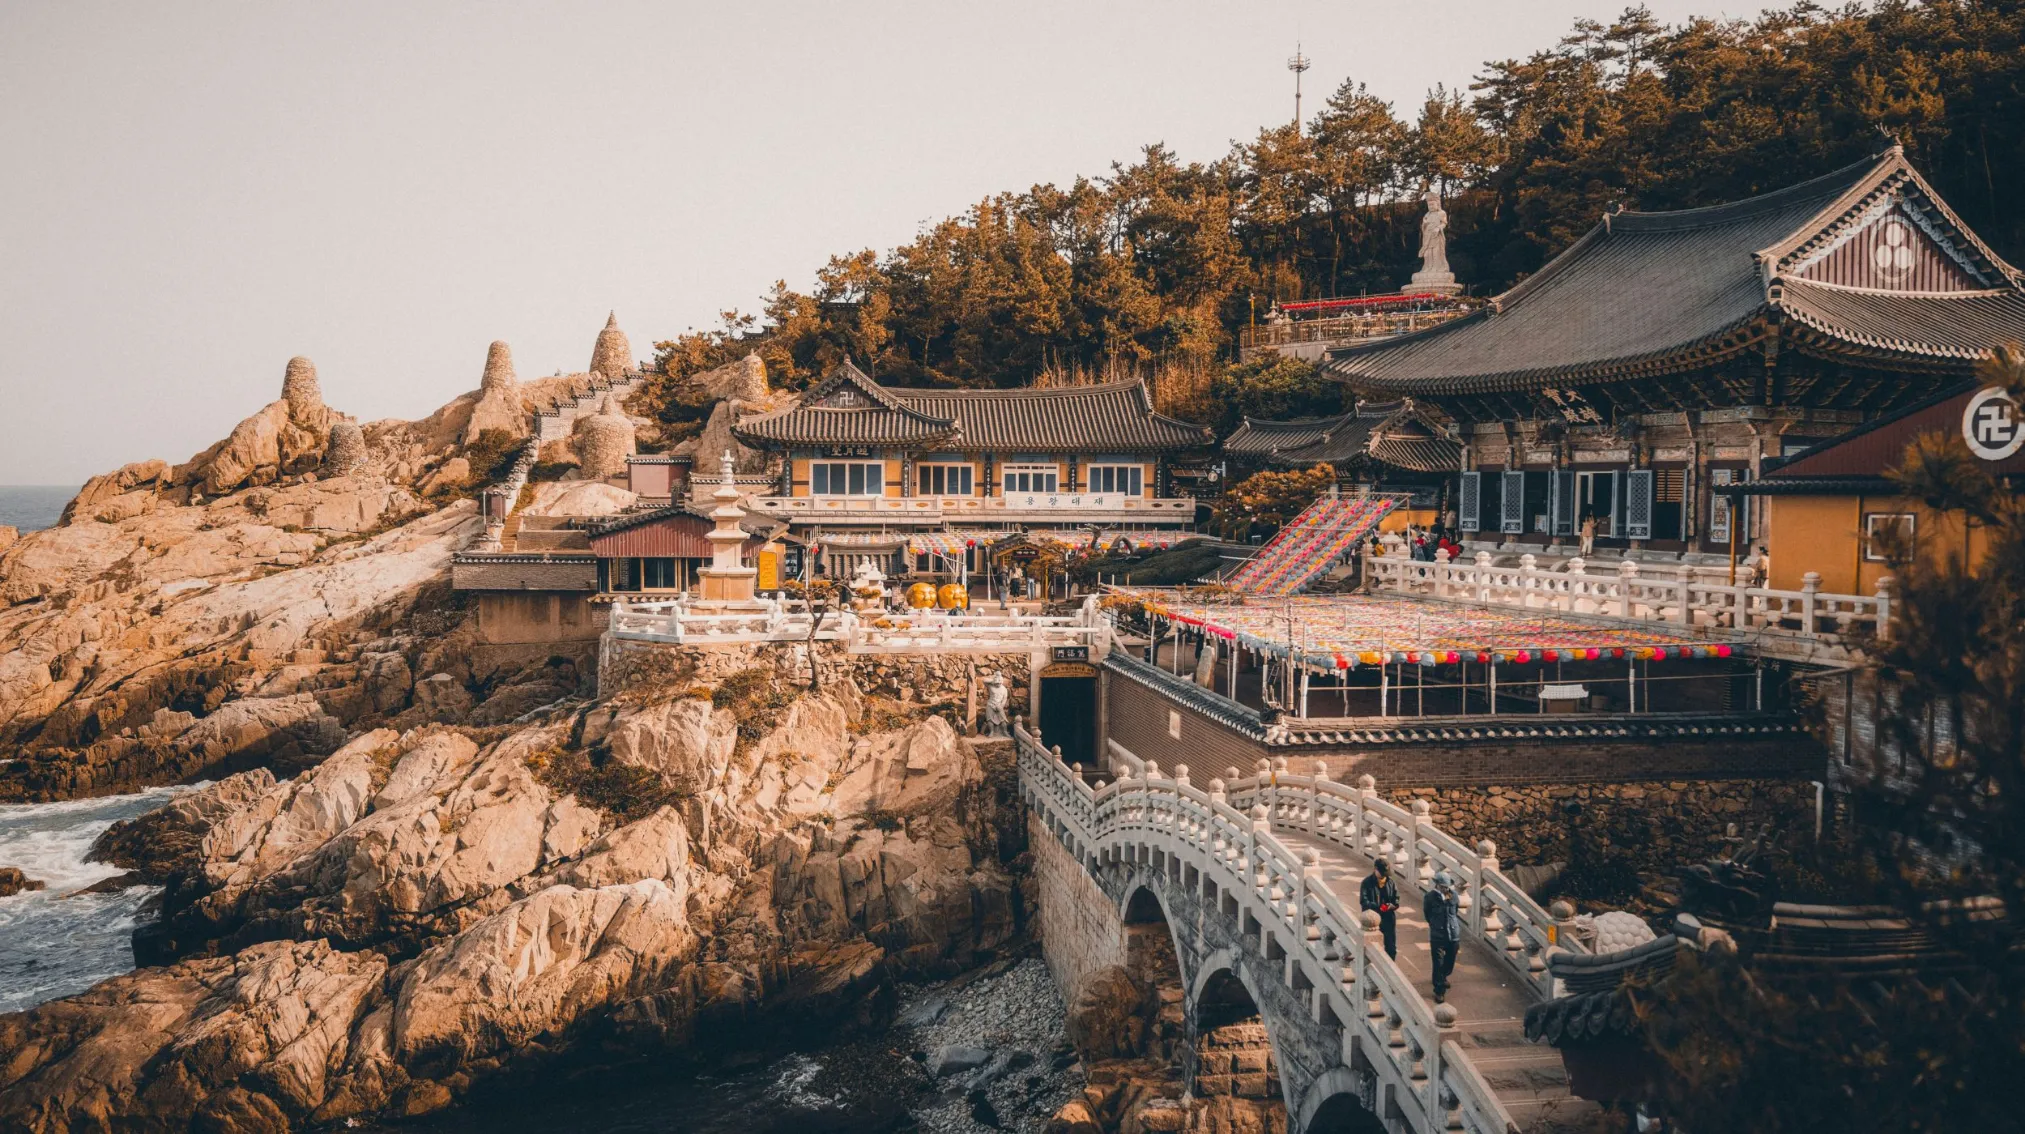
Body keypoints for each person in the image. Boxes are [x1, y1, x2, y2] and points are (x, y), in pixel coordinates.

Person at [1424, 870, 1463, 1003]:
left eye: (1447, 886)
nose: (1445, 889)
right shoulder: (1429, 897)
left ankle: (1442, 976)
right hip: (1437, 935)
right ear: (1437, 885)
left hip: (1453, 934)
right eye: (1443, 886)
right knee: (1438, 962)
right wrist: (1435, 925)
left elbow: (1455, 912)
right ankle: (1439, 990)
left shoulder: (1454, 896)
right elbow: (1427, 915)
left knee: (1450, 960)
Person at [1360, 858, 1401, 959]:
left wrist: (1393, 905)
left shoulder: (1391, 882)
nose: (1384, 875)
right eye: (1382, 872)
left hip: (1388, 918)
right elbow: (1364, 903)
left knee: (1391, 948)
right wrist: (1379, 907)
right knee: (1373, 949)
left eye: (1385, 873)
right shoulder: (1367, 883)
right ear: (1375, 869)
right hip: (1373, 920)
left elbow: (1396, 899)